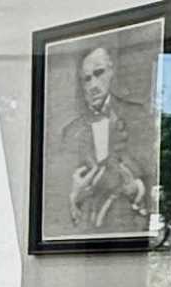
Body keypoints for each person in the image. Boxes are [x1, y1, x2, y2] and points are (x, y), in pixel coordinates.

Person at [54, 39, 159, 239]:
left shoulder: (138, 117)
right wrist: (74, 195)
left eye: (99, 73)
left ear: (112, 72)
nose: (93, 85)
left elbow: (160, 178)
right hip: (84, 238)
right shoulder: (70, 132)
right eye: (86, 79)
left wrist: (136, 189)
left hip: (129, 234)